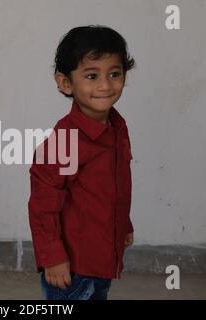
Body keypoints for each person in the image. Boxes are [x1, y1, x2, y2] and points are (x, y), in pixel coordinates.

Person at [28, 25, 136, 300]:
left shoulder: (117, 127)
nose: (105, 85)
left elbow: (112, 186)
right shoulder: (66, 139)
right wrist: (52, 257)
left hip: (102, 260)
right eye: (91, 76)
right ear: (66, 83)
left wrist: (124, 224)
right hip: (72, 270)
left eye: (114, 73)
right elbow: (43, 203)